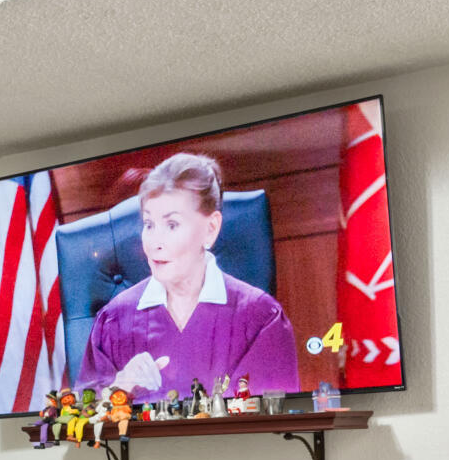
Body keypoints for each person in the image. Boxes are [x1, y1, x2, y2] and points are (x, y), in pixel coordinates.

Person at [76, 154, 299, 398]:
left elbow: (270, 415)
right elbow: (80, 413)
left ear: (210, 228)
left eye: (172, 225)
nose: (155, 242)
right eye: (149, 224)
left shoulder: (260, 318)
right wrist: (119, 388)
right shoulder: (113, 320)